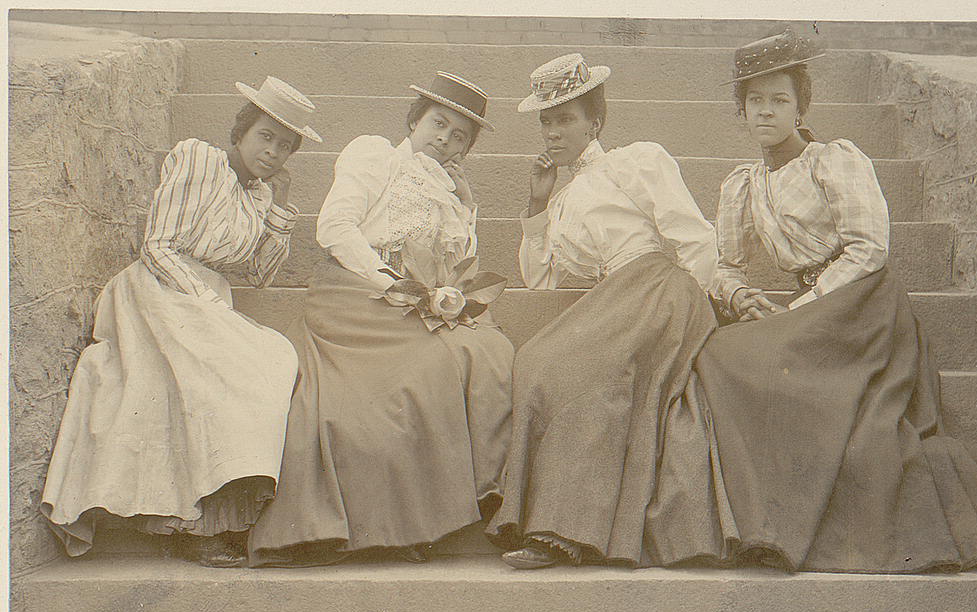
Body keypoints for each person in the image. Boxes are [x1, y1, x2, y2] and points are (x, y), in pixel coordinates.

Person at [694, 29, 977, 572]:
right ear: (741, 112)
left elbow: (869, 248)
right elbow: (725, 263)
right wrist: (742, 294)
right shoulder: (739, 186)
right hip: (811, 307)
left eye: (780, 100)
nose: (766, 112)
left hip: (861, 302)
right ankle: (759, 516)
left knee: (765, 364)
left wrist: (806, 306)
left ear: (802, 106)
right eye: (755, 102)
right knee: (719, 354)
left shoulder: (833, 161)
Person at [40, 76, 321, 567]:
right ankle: (190, 526)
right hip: (156, 288)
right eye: (265, 136)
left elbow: (257, 276)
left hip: (205, 299)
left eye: (285, 145)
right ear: (240, 131)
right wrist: (202, 304)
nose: (273, 152)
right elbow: (157, 244)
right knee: (223, 367)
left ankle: (207, 518)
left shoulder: (257, 196)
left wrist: (277, 214)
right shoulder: (200, 159)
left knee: (274, 357)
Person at [249, 72, 513, 567]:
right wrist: (388, 282)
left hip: (418, 301)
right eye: (438, 123)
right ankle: (391, 523)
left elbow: (463, 266)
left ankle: (454, 507)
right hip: (357, 293)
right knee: (418, 373)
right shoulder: (376, 155)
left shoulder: (452, 188)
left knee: (487, 351)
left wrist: (468, 209)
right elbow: (335, 227)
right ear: (415, 119)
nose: (444, 139)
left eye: (459, 135)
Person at [488, 54, 727, 570]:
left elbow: (695, 237)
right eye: (546, 121)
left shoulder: (633, 162)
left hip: (658, 288)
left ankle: (564, 531)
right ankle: (542, 517)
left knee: (588, 372)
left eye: (566, 119)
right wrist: (537, 205)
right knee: (537, 360)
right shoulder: (564, 198)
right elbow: (540, 279)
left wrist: (698, 310)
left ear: (594, 121)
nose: (553, 132)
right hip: (611, 299)